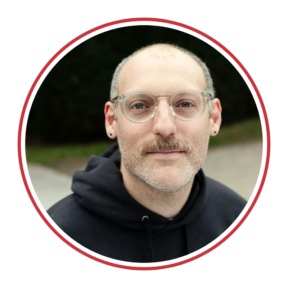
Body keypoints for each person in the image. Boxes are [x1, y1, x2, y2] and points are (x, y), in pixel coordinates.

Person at [46, 43, 248, 264]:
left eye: (185, 103)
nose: (164, 126)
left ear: (214, 118)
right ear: (112, 120)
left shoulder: (236, 216)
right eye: (140, 105)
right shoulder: (63, 232)